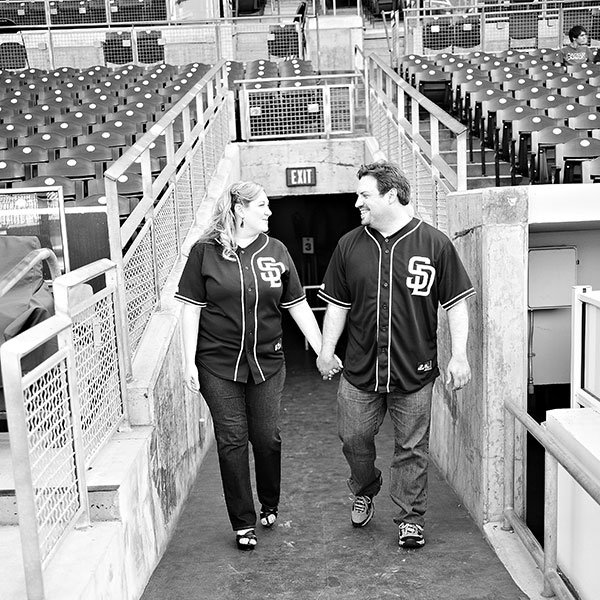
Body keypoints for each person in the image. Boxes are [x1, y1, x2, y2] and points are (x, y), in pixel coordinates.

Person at [316, 162, 475, 549]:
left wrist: (459, 355)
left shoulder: (435, 243)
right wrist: (325, 350)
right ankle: (365, 486)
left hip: (414, 368)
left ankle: (410, 518)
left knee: (412, 448)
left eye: (365, 195)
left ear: (391, 195)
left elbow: (455, 304)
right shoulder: (349, 245)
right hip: (360, 370)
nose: (357, 203)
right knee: (353, 437)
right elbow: (337, 306)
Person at [176, 181, 329, 551]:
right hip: (217, 363)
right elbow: (190, 310)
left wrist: (322, 349)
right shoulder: (204, 252)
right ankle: (243, 522)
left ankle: (270, 502)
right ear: (239, 210)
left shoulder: (275, 250)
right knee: (231, 441)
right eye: (261, 205)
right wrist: (187, 362)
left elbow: (296, 305)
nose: (269, 212)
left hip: (268, 362)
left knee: (266, 437)